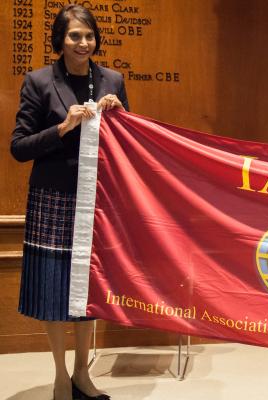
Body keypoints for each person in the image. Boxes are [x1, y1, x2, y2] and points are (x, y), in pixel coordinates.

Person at [10, 4, 129, 400]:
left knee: (88, 287)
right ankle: (60, 376)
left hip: (98, 198)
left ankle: (83, 373)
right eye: (75, 36)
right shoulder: (39, 81)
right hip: (54, 198)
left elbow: (128, 143)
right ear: (60, 40)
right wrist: (62, 127)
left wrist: (120, 115)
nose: (83, 43)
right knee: (53, 287)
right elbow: (19, 148)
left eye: (89, 35)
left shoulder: (112, 79)